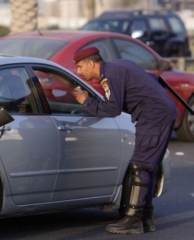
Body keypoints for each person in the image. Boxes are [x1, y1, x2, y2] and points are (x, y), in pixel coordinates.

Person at [72, 47, 177, 235]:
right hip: (159, 113)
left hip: (153, 117)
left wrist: (85, 101)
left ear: (91, 63)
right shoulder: (117, 66)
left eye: (80, 67)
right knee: (147, 167)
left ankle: (133, 219)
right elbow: (147, 80)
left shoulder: (109, 76)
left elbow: (111, 109)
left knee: (141, 166)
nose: (79, 72)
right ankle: (145, 218)